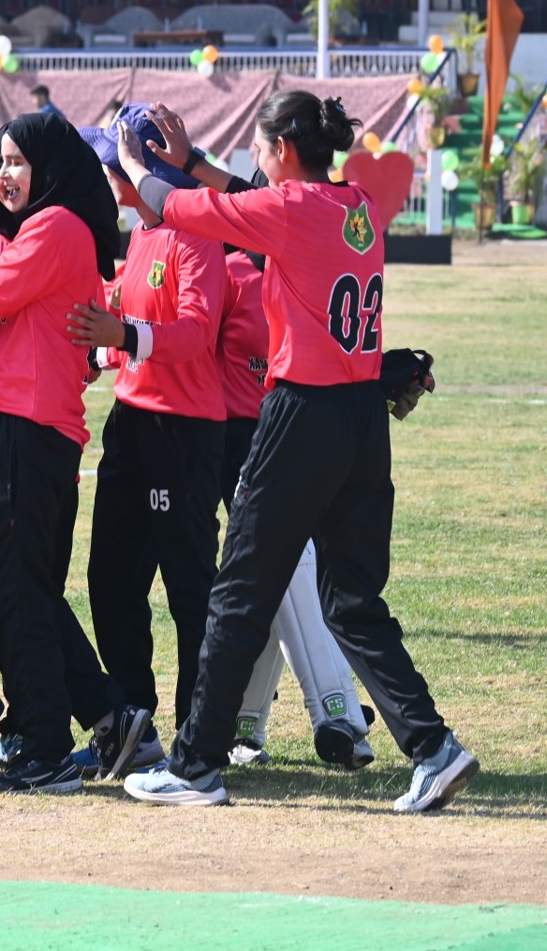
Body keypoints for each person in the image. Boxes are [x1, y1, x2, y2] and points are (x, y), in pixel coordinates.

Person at [116, 92, 477, 811]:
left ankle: (194, 767)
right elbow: (252, 198)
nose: (255, 157)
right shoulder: (355, 206)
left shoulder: (288, 211)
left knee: (238, 591)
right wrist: (192, 161)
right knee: (350, 600)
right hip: (359, 420)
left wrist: (142, 165)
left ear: (282, 148)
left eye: (260, 144)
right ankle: (434, 748)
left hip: (301, 415)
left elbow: (183, 207)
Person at [0, 111, 151, 794]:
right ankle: (106, 714)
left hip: (23, 428)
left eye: (18, 162)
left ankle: (43, 747)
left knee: (15, 594)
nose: (4, 176)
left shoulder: (57, 225)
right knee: (23, 587)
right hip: (20, 428)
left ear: (51, 167)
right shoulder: (33, 226)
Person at [65, 105, 223, 772]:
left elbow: (195, 333)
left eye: (112, 164)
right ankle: (134, 722)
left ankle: (197, 733)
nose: (105, 176)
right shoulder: (143, 236)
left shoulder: (195, 234)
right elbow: (123, 318)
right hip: (130, 426)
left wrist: (123, 336)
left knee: (189, 588)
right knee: (111, 579)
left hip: (182, 434)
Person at [209, 215, 376, 772]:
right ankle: (325, 713)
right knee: (283, 572)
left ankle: (308, 715)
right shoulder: (232, 270)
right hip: (240, 438)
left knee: (284, 573)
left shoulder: (308, 267)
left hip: (298, 434)